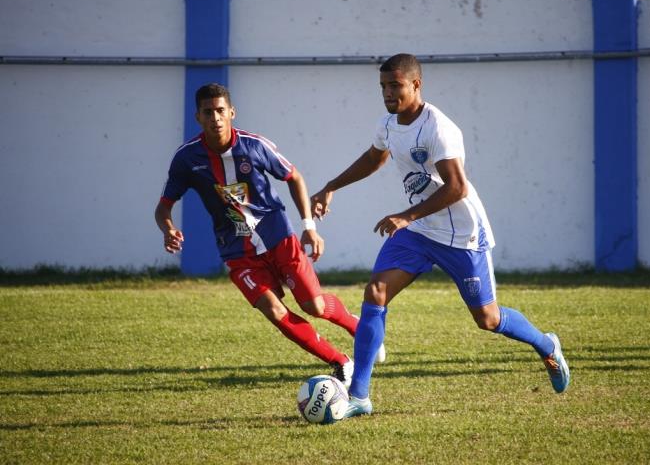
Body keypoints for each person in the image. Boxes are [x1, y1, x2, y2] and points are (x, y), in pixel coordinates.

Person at [311, 53, 569, 418]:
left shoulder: (438, 128)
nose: (387, 92)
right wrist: (331, 187)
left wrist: (405, 215)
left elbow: (458, 188)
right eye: (383, 86)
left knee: (488, 319)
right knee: (376, 291)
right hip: (419, 230)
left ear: (416, 85)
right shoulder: (388, 124)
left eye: (395, 85)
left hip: (461, 234)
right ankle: (359, 396)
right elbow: (374, 159)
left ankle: (546, 345)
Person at [155, 83, 383, 387]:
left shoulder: (254, 146)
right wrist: (168, 229)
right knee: (275, 311)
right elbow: (163, 207)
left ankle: (356, 324)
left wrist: (309, 228)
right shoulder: (187, 159)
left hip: (279, 238)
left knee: (314, 306)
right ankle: (340, 361)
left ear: (231, 112)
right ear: (198, 117)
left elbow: (294, 177)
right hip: (237, 252)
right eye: (208, 112)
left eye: (221, 111)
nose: (216, 118)